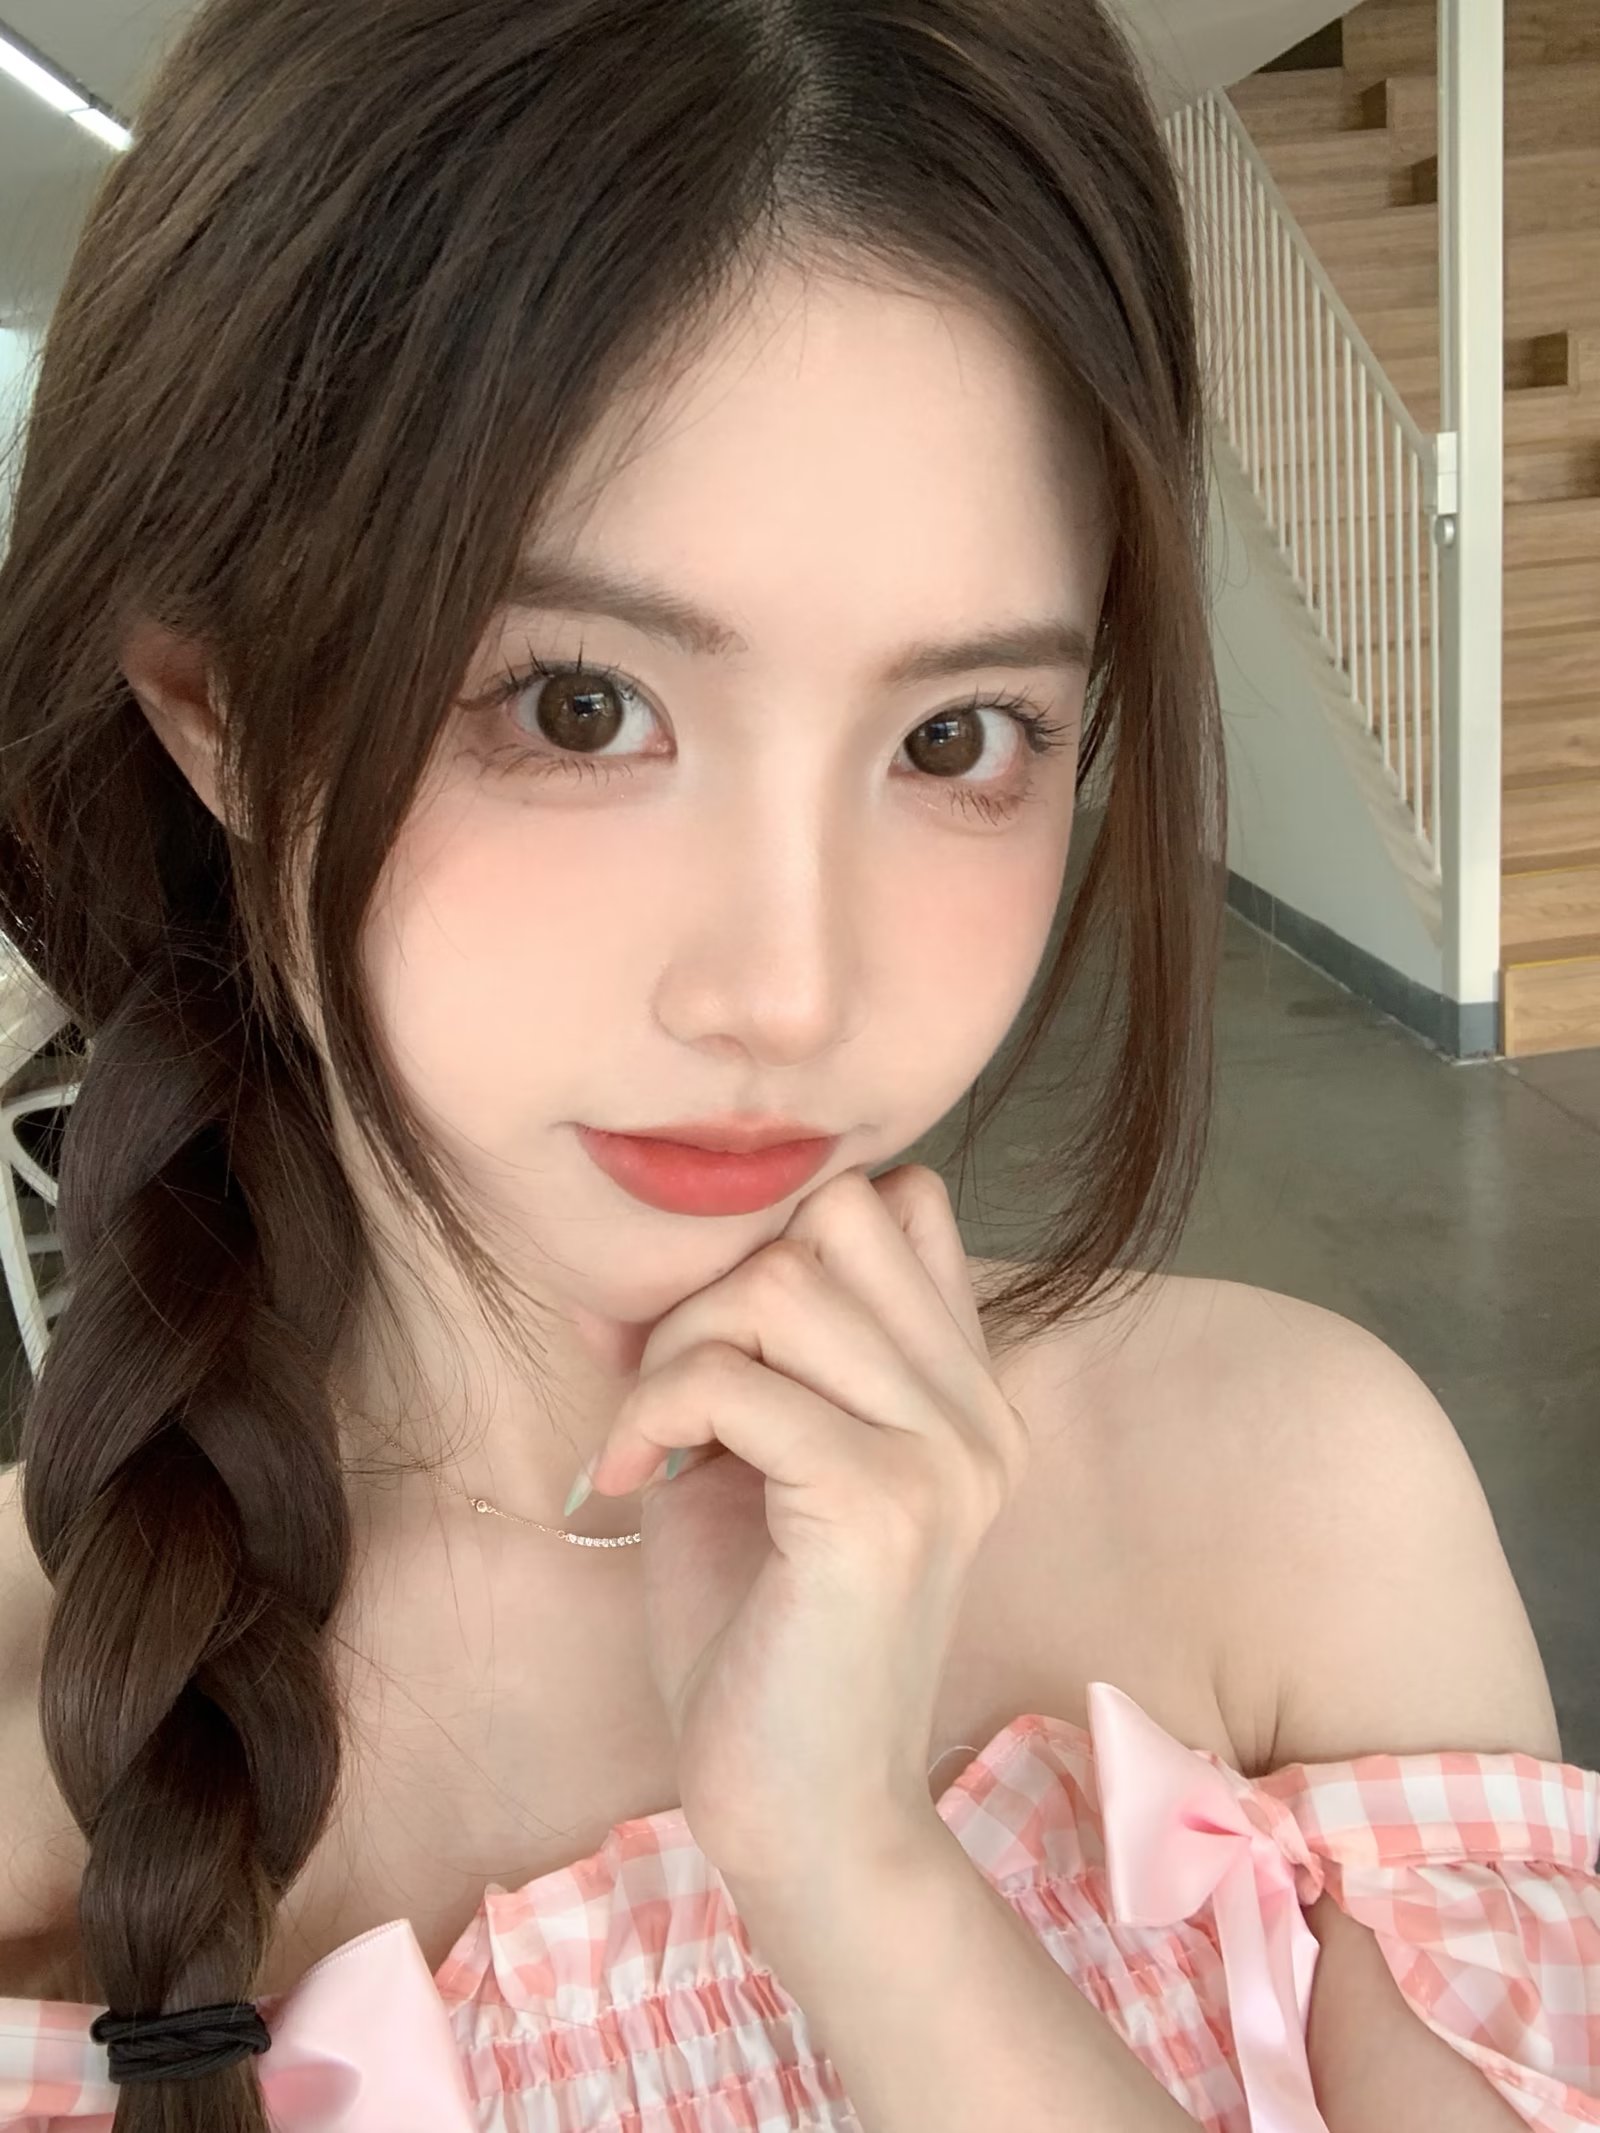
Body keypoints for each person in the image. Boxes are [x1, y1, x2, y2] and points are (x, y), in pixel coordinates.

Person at [0, 1, 1595, 2129]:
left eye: (955, 736)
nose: (791, 986)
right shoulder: (43, 1739)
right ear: (215, 710)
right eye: (576, 705)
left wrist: (858, 1875)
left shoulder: (1291, 1499)